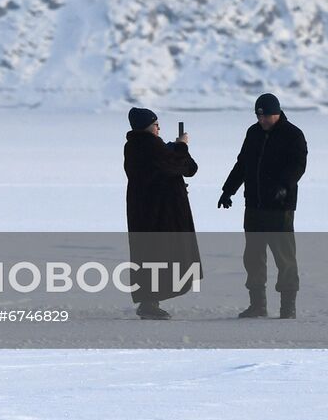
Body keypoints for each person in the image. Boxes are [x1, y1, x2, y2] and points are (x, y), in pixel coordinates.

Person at [217, 93, 308, 319]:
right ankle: (258, 305)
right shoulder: (254, 133)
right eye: (259, 116)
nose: (262, 121)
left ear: (277, 112)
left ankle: (288, 307)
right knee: (253, 257)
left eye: (266, 116)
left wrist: (284, 186)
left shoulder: (293, 135)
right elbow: (243, 164)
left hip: (279, 208)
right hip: (254, 206)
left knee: (284, 258)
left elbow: (298, 165)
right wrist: (228, 190)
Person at [123, 107, 201, 320]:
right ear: (149, 126)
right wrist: (182, 147)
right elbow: (184, 167)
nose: (159, 128)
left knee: (148, 255)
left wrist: (175, 149)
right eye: (156, 124)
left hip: (145, 212)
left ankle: (149, 301)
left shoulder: (134, 146)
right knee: (159, 255)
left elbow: (180, 167)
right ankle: (149, 304)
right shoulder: (151, 145)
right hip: (159, 213)